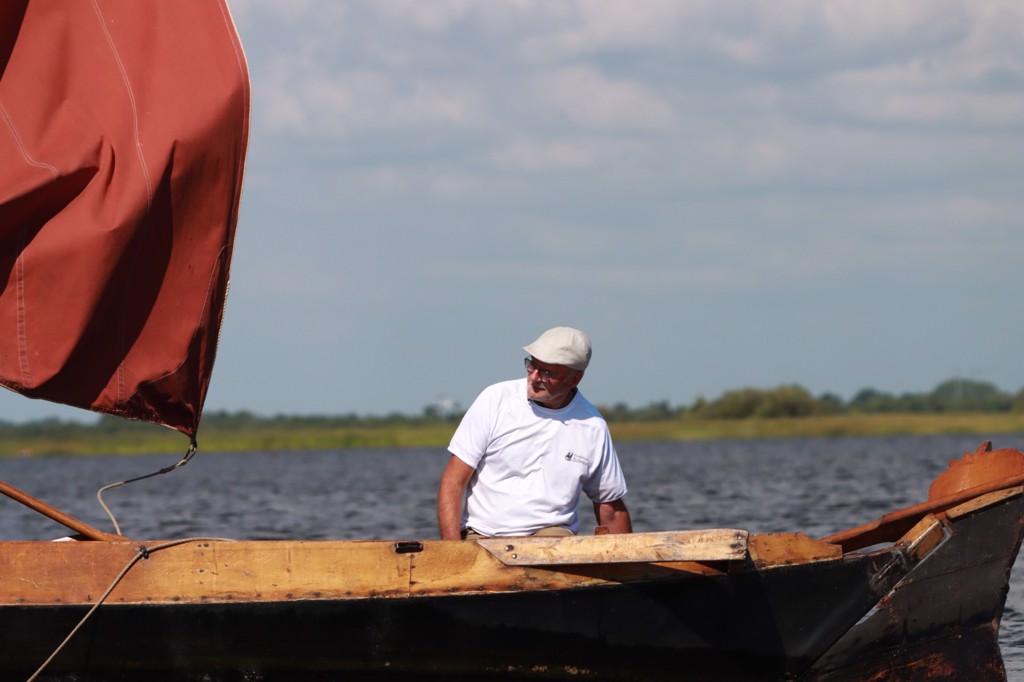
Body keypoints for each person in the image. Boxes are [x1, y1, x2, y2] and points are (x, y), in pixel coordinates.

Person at [438, 326, 632, 540]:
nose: (535, 377)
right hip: (483, 536)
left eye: (548, 373)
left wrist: (630, 558)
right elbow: (453, 481)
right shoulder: (494, 400)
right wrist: (452, 550)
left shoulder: (593, 426)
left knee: (554, 541)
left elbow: (611, 509)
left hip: (552, 538)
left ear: (574, 379)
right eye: (532, 365)